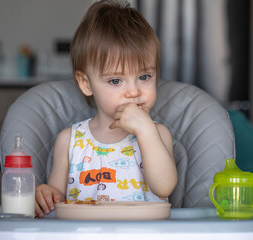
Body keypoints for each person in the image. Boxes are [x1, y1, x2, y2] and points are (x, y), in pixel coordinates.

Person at [35, 0, 178, 218]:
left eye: (144, 77)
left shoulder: (157, 134)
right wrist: (46, 195)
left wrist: (146, 131)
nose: (133, 91)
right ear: (86, 84)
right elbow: (57, 202)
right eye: (115, 81)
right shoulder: (69, 141)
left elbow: (164, 187)